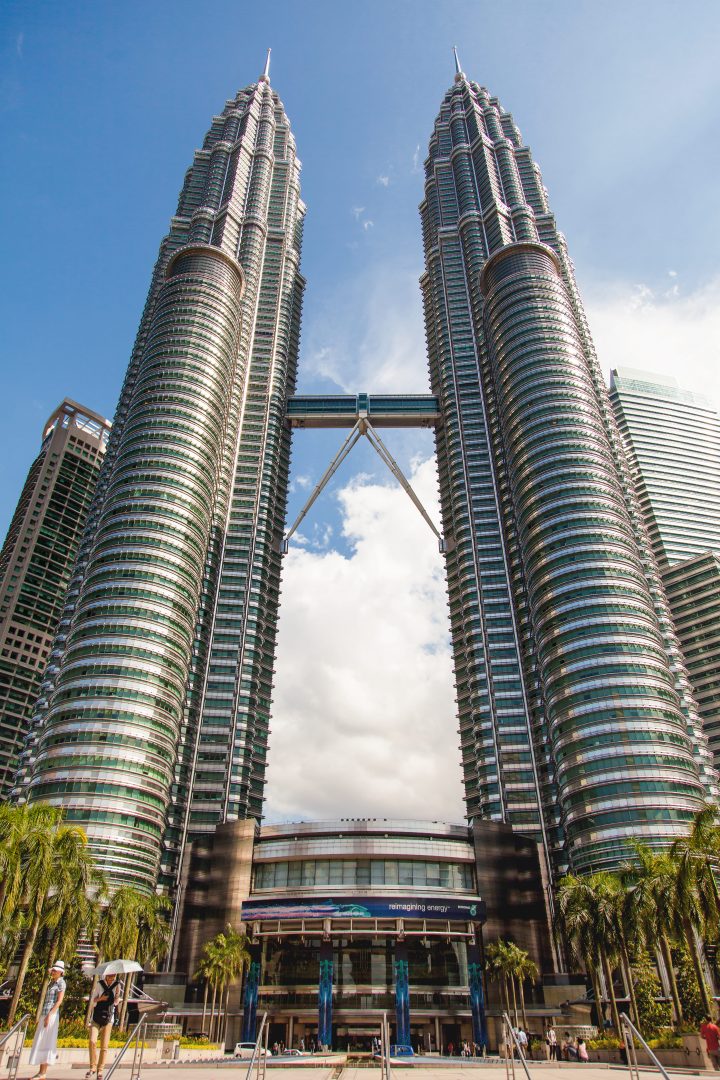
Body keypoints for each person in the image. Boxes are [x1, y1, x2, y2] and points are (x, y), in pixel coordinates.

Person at [28, 961, 66, 1079]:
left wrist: (49, 1015)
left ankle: (43, 1073)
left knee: (46, 1041)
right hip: (45, 1013)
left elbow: (59, 1001)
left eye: (55, 970)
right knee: (41, 1041)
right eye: (53, 970)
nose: (53, 972)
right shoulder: (52, 982)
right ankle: (41, 1072)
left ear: (60, 972)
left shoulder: (61, 983)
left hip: (51, 1015)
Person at [86, 972, 122, 1080]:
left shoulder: (117, 985)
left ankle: (100, 1070)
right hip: (96, 1018)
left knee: (104, 1046)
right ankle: (92, 1067)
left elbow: (116, 1002)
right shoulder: (99, 984)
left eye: (113, 976)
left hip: (108, 1018)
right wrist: (100, 999)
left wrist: (117, 997)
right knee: (92, 1041)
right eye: (110, 976)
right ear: (106, 975)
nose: (111, 978)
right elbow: (93, 1000)